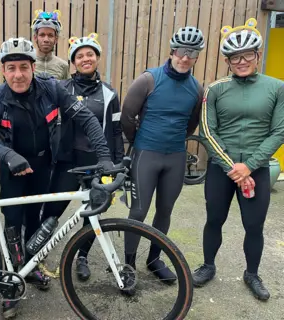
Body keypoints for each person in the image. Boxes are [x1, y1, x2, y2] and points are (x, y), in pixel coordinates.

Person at [0, 37, 113, 319]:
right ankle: (10, 286)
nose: (18, 75)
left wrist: (104, 157)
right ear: (3, 71)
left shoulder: (52, 88)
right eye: (11, 68)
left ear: (32, 67)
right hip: (14, 167)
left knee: (35, 221)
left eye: (23, 67)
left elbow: (86, 118)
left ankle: (30, 268)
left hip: (43, 164)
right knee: (13, 226)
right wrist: (9, 157)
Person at [192, 18, 284, 301]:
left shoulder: (277, 87)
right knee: (214, 219)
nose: (241, 61)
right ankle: (208, 266)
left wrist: (249, 166)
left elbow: (279, 131)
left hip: (256, 169)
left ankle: (252, 274)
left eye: (247, 55)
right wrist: (232, 166)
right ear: (227, 61)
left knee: (254, 225)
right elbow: (207, 131)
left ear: (257, 55)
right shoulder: (215, 89)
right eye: (234, 57)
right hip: (223, 169)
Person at [120, 26, 205, 295]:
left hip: (176, 157)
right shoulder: (149, 79)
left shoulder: (195, 87)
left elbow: (192, 124)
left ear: (196, 56)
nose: (184, 57)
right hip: (146, 154)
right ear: (172, 50)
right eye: (180, 51)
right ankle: (129, 265)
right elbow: (127, 116)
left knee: (165, 211)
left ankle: (154, 259)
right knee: (138, 211)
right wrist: (141, 140)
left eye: (191, 53)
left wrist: (173, 141)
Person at [41, 33, 124, 280]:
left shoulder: (110, 93)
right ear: (73, 62)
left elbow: (117, 131)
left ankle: (82, 258)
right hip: (68, 161)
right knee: (52, 211)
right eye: (80, 56)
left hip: (97, 163)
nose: (85, 59)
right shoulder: (62, 88)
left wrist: (117, 164)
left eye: (90, 54)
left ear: (97, 58)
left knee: (92, 214)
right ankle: (38, 255)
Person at [31, 9, 69, 80]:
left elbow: (66, 90)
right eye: (42, 35)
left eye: (50, 35)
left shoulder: (64, 66)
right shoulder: (28, 63)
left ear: (56, 39)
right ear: (35, 37)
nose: (46, 40)